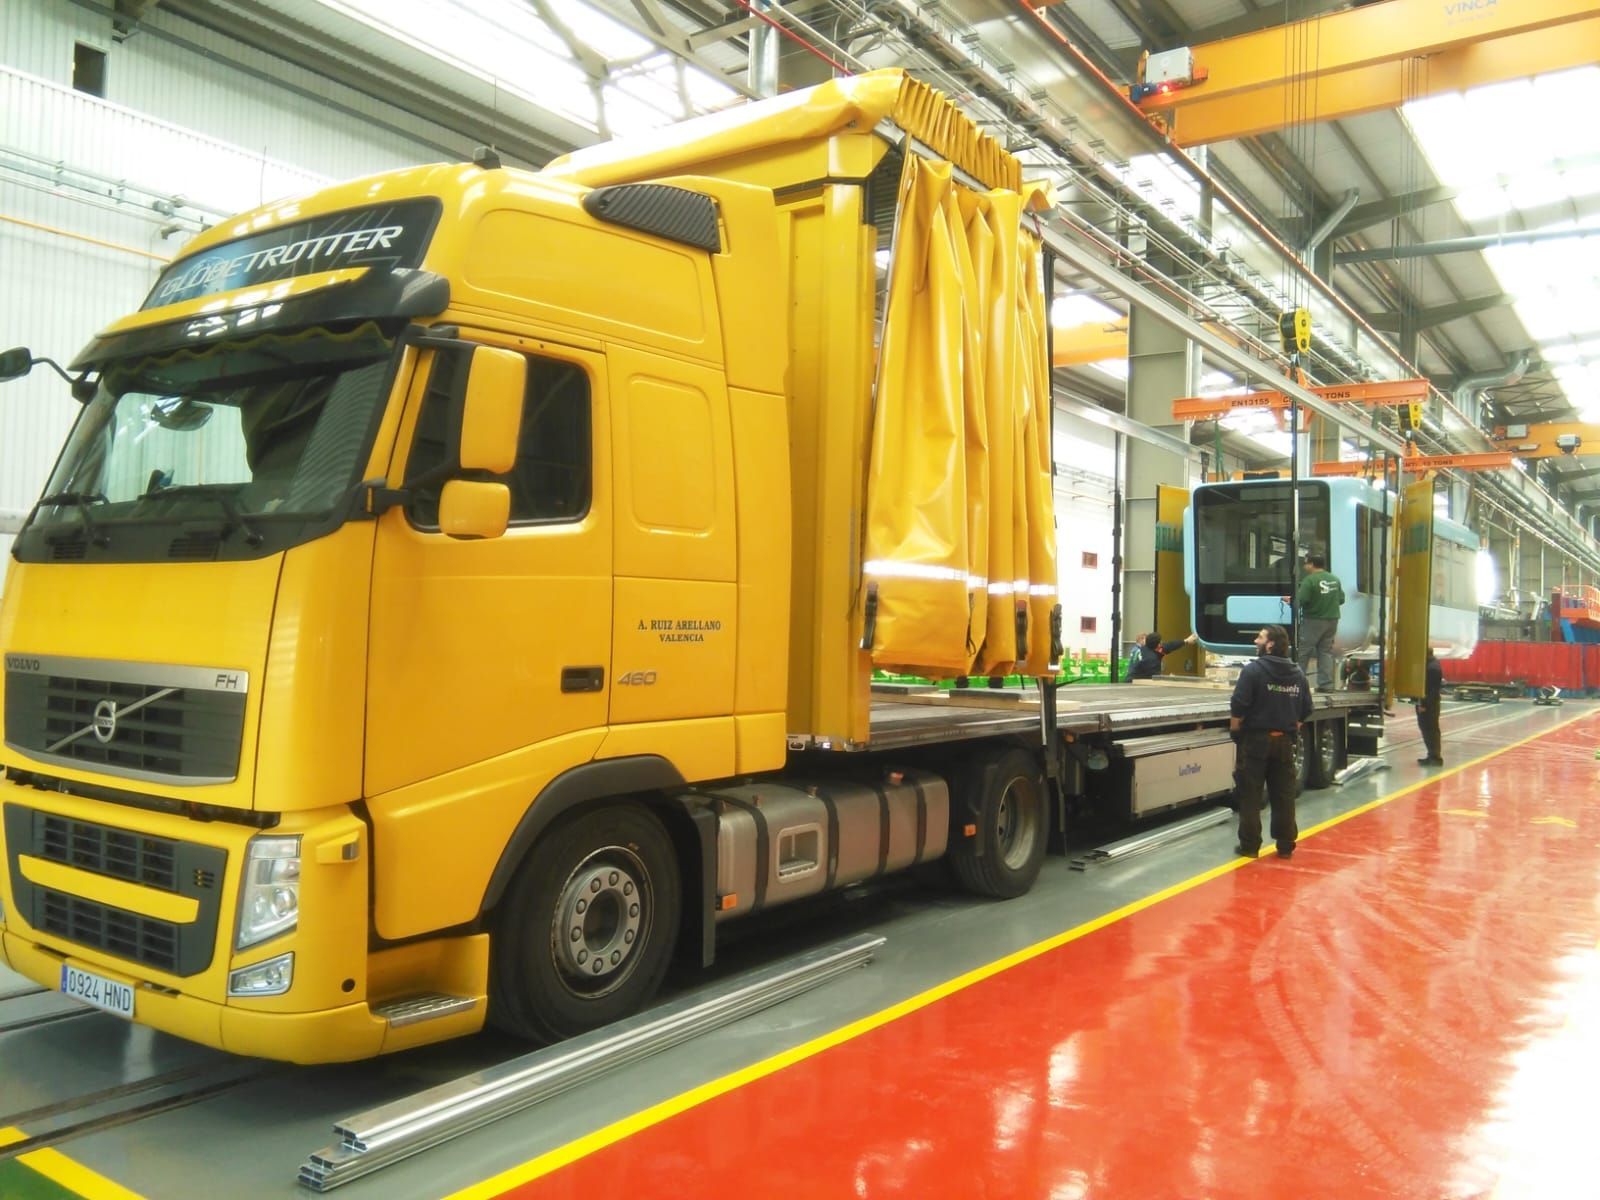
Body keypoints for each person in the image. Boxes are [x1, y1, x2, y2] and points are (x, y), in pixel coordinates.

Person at [1229, 624, 1311, 859]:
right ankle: (1285, 844)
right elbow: (1305, 709)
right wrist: (1291, 726)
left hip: (1255, 741)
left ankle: (1250, 847)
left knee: (1251, 795)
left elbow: (1239, 705)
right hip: (1284, 742)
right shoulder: (1297, 673)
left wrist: (1236, 732)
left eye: (1260, 637)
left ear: (1270, 644)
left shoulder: (1254, 671)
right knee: (1284, 795)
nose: (1256, 641)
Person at [1294, 553, 1345, 690]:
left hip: (1313, 620)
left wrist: (1291, 602)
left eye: (1306, 563)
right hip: (1332, 620)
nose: (1304, 566)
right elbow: (1341, 599)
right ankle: (1326, 684)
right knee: (1325, 652)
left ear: (1311, 564)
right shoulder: (1334, 579)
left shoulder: (1309, 581)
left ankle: (1298, 683)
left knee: (1304, 651)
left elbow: (1301, 601)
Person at [1127, 631, 1198, 680]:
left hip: (1135, 678)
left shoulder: (1147, 647)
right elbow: (1155, 677)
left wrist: (1186, 641)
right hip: (1134, 683)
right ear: (1157, 645)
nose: (1162, 643)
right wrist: (1169, 678)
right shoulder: (1151, 659)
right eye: (1160, 642)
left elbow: (1170, 645)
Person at [1415, 646, 1443, 766]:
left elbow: (1431, 689)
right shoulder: (1432, 665)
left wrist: (1424, 704)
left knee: (1429, 730)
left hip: (1428, 704)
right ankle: (1432, 755)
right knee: (1429, 730)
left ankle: (1435, 757)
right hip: (1428, 703)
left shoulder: (1431, 668)